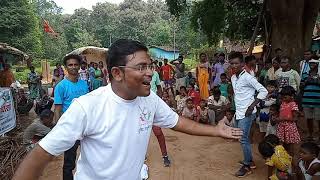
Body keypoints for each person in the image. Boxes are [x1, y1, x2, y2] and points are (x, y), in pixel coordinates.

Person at [13, 39, 242, 180]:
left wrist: (215, 130)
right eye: (141, 67)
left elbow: (177, 121)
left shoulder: (149, 99)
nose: (150, 72)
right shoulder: (87, 107)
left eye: (150, 65)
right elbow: (41, 154)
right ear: (117, 73)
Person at [229, 51, 268, 177]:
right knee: (241, 138)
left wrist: (252, 106)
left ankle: (247, 166)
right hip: (239, 112)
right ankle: (250, 161)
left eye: (236, 63)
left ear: (242, 64)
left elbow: (263, 91)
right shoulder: (233, 77)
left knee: (243, 139)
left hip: (247, 113)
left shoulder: (248, 77)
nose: (234, 65)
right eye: (232, 63)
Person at [53, 54, 89, 180]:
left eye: (75, 64)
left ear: (79, 66)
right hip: (70, 128)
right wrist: (59, 130)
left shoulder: (84, 84)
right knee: (69, 162)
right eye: (70, 65)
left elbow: (89, 105)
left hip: (86, 127)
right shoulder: (61, 86)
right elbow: (57, 109)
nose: (73, 67)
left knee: (90, 157)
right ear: (66, 67)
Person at [150, 63, 171, 167]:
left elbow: (159, 87)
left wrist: (159, 100)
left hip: (152, 106)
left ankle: (165, 156)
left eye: (150, 66)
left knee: (158, 133)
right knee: (139, 133)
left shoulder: (155, 74)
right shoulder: (139, 75)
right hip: (141, 107)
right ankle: (140, 156)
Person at [277, 86, 301, 155]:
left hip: (289, 127)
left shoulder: (293, 104)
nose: (283, 98)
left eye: (285, 97)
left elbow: (295, 118)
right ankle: (283, 157)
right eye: (282, 96)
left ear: (292, 96)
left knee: (289, 144)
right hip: (282, 126)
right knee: (282, 142)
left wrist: (283, 119)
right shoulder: (283, 103)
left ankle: (289, 158)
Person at [301, 59, 320, 142]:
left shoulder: (319, 75)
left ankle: (318, 136)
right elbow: (301, 87)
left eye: (314, 63)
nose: (312, 64)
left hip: (318, 101)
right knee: (309, 119)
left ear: (317, 64)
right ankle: (310, 135)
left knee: (319, 119)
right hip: (307, 100)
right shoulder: (305, 74)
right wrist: (306, 81)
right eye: (310, 63)